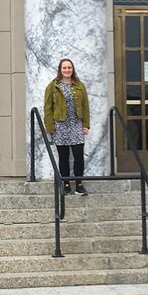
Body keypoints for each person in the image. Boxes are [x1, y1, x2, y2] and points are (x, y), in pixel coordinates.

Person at [43, 58, 90, 195]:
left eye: (69, 67)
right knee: (63, 158)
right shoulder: (52, 86)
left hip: (76, 124)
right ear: (60, 70)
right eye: (64, 68)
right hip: (60, 126)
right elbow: (47, 108)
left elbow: (85, 106)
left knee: (78, 156)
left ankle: (79, 184)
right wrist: (50, 126)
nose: (67, 70)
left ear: (72, 69)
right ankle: (66, 184)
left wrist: (86, 124)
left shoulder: (80, 85)